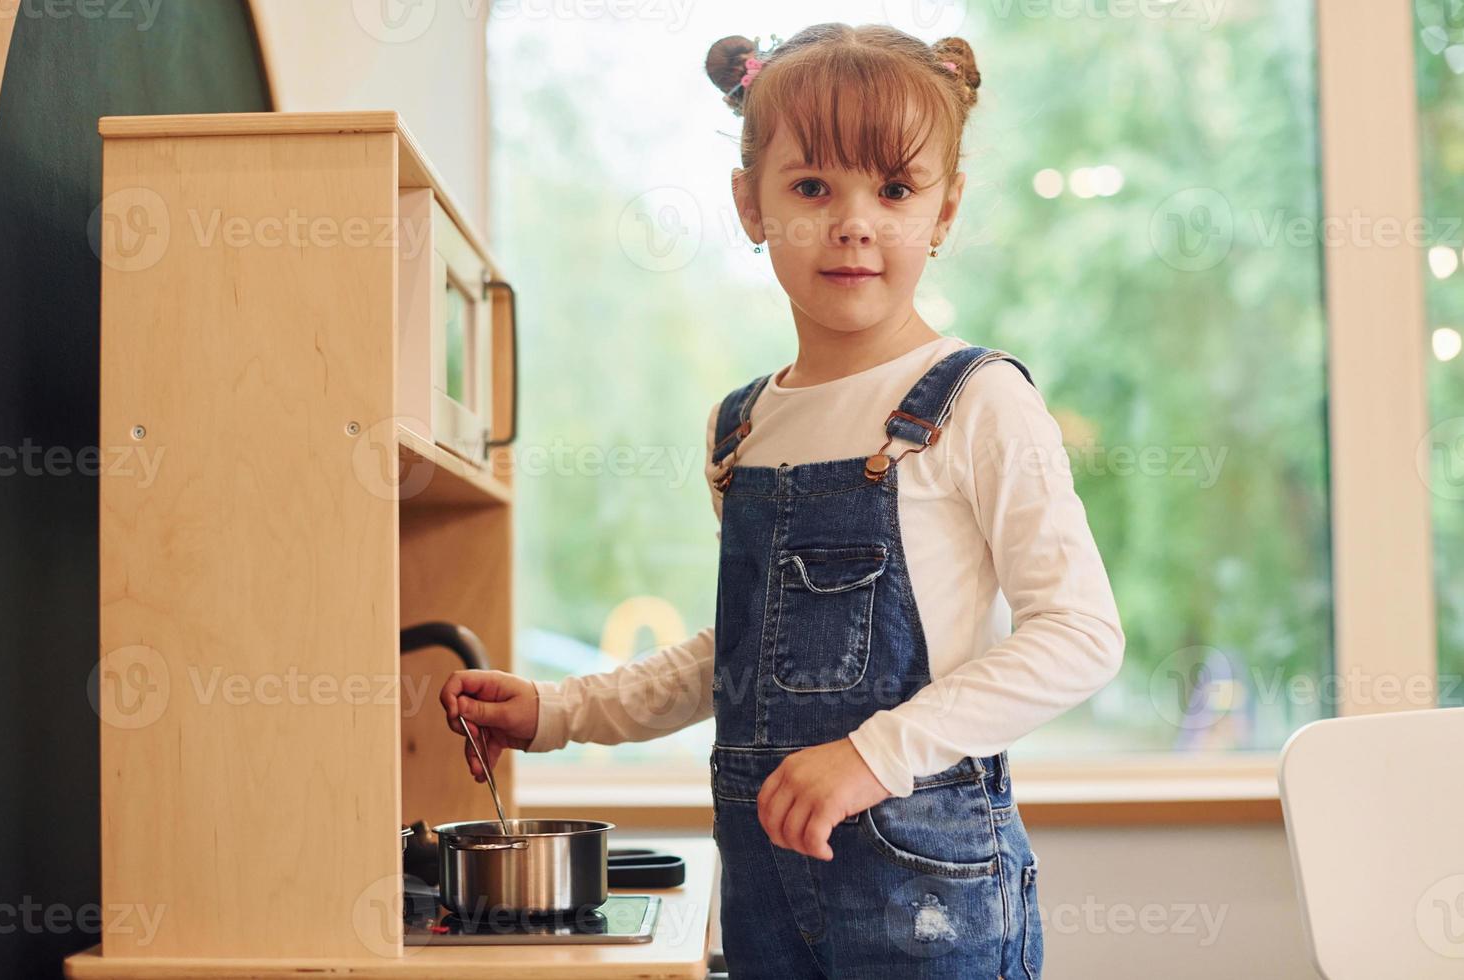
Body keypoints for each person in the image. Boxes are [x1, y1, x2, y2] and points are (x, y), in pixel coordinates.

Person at [440, 22, 1126, 978]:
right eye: (813, 188)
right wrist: (558, 711)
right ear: (749, 204)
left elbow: (1080, 636)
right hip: (767, 891)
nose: (854, 222)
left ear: (947, 209)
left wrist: (871, 755)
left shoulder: (979, 401)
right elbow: (744, 656)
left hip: (930, 906)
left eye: (893, 189)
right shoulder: (740, 428)